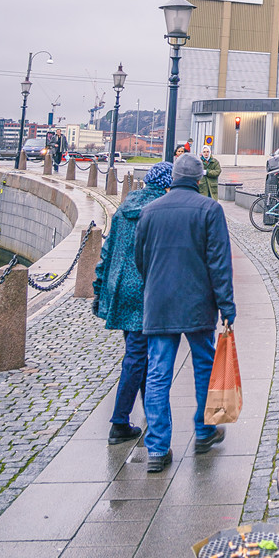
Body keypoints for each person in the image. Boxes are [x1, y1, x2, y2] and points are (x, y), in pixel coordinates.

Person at [134, 152, 236, 473]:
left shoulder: (149, 212)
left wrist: (155, 287)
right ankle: (204, 431)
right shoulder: (209, 210)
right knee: (204, 368)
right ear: (197, 179)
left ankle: (157, 448)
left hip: (159, 304)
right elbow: (219, 264)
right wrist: (226, 307)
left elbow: (141, 260)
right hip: (197, 304)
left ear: (174, 177)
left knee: (158, 375)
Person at [92, 162, 172, 444]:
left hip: (120, 289)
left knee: (138, 353)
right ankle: (119, 422)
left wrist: (99, 289)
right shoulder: (161, 210)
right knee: (137, 357)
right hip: (143, 290)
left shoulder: (126, 206)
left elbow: (108, 250)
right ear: (166, 185)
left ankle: (149, 410)